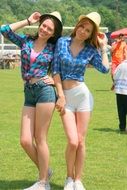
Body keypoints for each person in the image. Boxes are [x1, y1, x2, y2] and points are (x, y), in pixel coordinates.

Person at [1, 11, 62, 190]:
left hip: (45, 91)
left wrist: (54, 82)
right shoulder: (26, 40)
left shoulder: (55, 47)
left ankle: (43, 183)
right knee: (25, 141)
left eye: (49, 28)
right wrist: (28, 20)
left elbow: (62, 67)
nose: (44, 29)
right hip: (29, 91)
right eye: (43, 25)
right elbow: (4, 30)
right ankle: (46, 171)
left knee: (40, 138)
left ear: (53, 33)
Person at [52, 12, 110, 190]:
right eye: (82, 26)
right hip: (65, 98)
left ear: (91, 34)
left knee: (81, 141)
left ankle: (78, 180)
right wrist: (60, 95)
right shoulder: (61, 42)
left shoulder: (91, 50)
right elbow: (55, 70)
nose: (83, 31)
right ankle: (68, 178)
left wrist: (103, 47)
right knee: (72, 141)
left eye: (88, 30)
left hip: (83, 96)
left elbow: (105, 69)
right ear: (77, 26)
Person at [113, 58, 127, 133]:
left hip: (119, 91)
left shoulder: (120, 65)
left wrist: (115, 83)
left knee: (121, 110)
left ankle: (122, 127)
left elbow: (114, 75)